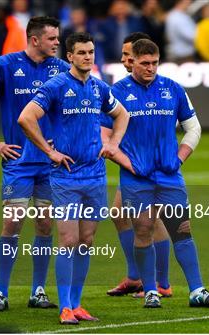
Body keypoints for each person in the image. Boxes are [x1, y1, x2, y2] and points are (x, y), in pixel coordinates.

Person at [17, 32, 129, 324]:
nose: (88, 57)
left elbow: (123, 115)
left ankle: (77, 304)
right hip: (65, 176)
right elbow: (26, 118)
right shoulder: (56, 86)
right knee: (68, 240)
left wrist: (113, 144)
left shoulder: (99, 88)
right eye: (81, 53)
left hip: (95, 175)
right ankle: (65, 306)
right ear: (69, 56)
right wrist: (49, 152)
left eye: (91, 52)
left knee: (87, 240)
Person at [111, 38, 209, 309]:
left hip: (169, 176)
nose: (150, 68)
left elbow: (193, 128)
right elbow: (105, 139)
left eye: (155, 63)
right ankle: (150, 291)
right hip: (136, 178)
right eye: (145, 63)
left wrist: (180, 157)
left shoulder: (173, 89)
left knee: (182, 230)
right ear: (132, 62)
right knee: (144, 230)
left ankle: (197, 290)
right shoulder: (116, 92)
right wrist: (129, 164)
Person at [0, 16, 70, 312]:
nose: (57, 43)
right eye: (52, 38)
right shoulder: (5, 65)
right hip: (18, 161)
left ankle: (38, 290)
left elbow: (75, 108)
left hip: (50, 164)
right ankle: (0, 292)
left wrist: (62, 141)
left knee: (44, 223)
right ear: (35, 39)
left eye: (58, 38)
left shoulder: (61, 69)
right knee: (12, 222)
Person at [104, 32, 173, 298]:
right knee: (120, 213)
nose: (124, 59)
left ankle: (161, 283)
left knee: (152, 220)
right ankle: (136, 277)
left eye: (128, 55)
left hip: (151, 166)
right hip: (133, 166)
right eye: (123, 55)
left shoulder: (158, 86)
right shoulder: (122, 88)